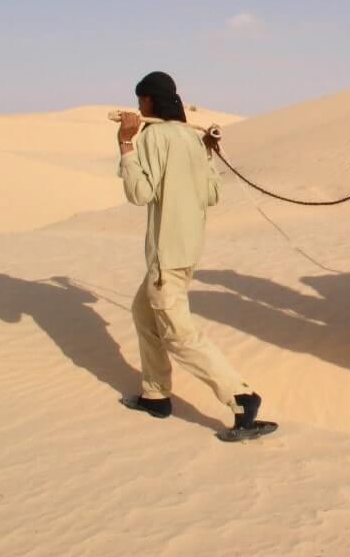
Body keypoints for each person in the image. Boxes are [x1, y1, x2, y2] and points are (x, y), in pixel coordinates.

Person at [116, 71, 276, 442]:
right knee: (144, 313)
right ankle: (155, 394)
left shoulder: (153, 136)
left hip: (166, 257)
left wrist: (127, 147)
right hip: (186, 252)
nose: (138, 107)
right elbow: (212, 194)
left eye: (141, 101)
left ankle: (241, 397)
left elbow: (140, 193)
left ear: (150, 102)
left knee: (178, 334)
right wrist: (204, 153)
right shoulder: (191, 139)